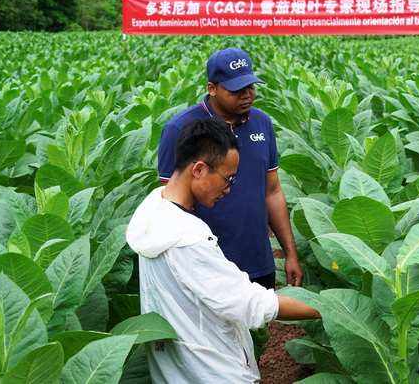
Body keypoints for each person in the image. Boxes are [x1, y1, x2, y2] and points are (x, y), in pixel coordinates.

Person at [127, 117, 320, 383]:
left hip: (177, 368)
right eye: (227, 178)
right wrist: (327, 308)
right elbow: (248, 303)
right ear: (199, 170)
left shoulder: (152, 210)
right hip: (214, 370)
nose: (228, 189)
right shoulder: (188, 240)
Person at [158, 47, 302, 289]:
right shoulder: (180, 129)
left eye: (250, 87)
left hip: (257, 258)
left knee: (256, 325)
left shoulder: (262, 122)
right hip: (205, 262)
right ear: (211, 88)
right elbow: (170, 202)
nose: (246, 95)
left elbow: (273, 192)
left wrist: (290, 254)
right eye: (236, 90)